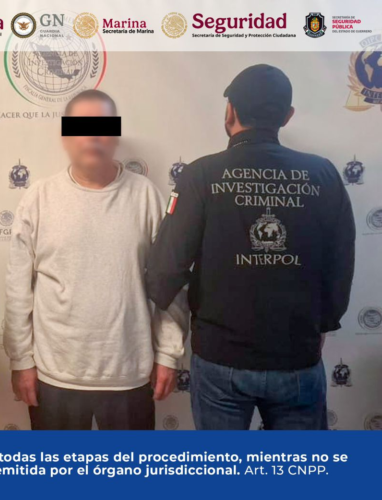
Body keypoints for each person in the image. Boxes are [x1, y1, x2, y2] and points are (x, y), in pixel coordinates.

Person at [146, 64, 355, 430]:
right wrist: (322, 324)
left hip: (220, 359)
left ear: (230, 112)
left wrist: (153, 311)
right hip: (297, 356)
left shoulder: (201, 175)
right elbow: (341, 264)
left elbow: (165, 269)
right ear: (287, 116)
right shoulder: (323, 174)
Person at [4, 90, 189, 430]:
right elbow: (18, 290)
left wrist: (167, 353)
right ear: (66, 136)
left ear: (115, 135)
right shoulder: (39, 198)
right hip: (54, 375)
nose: (92, 135)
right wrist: (20, 360)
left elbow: (170, 283)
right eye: (81, 126)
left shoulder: (145, 196)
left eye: (102, 126)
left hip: (129, 374)